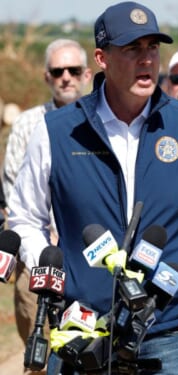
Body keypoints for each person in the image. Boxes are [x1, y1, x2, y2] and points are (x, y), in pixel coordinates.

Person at [7, 2, 178, 374]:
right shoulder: (56, 131)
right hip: (81, 328)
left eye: (152, 48)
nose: (146, 60)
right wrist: (53, 269)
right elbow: (24, 216)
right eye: (132, 49)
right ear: (101, 58)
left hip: (169, 331)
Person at [2, 38, 92, 358]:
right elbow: (15, 194)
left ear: (87, 75)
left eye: (73, 70)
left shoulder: (101, 124)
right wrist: (44, 238)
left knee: (86, 349)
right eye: (57, 71)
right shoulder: (28, 124)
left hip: (88, 257)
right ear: (47, 77)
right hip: (37, 256)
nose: (65, 77)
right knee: (38, 351)